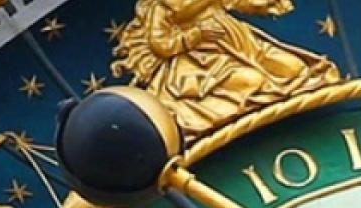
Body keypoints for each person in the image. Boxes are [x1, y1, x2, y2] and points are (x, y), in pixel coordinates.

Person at [111, 0, 340, 137]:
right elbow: (160, 44)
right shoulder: (162, 6)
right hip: (203, 62)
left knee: (295, 68)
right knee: (252, 80)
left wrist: (269, 4)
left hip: (244, 45)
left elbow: (240, 2)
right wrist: (196, 35)